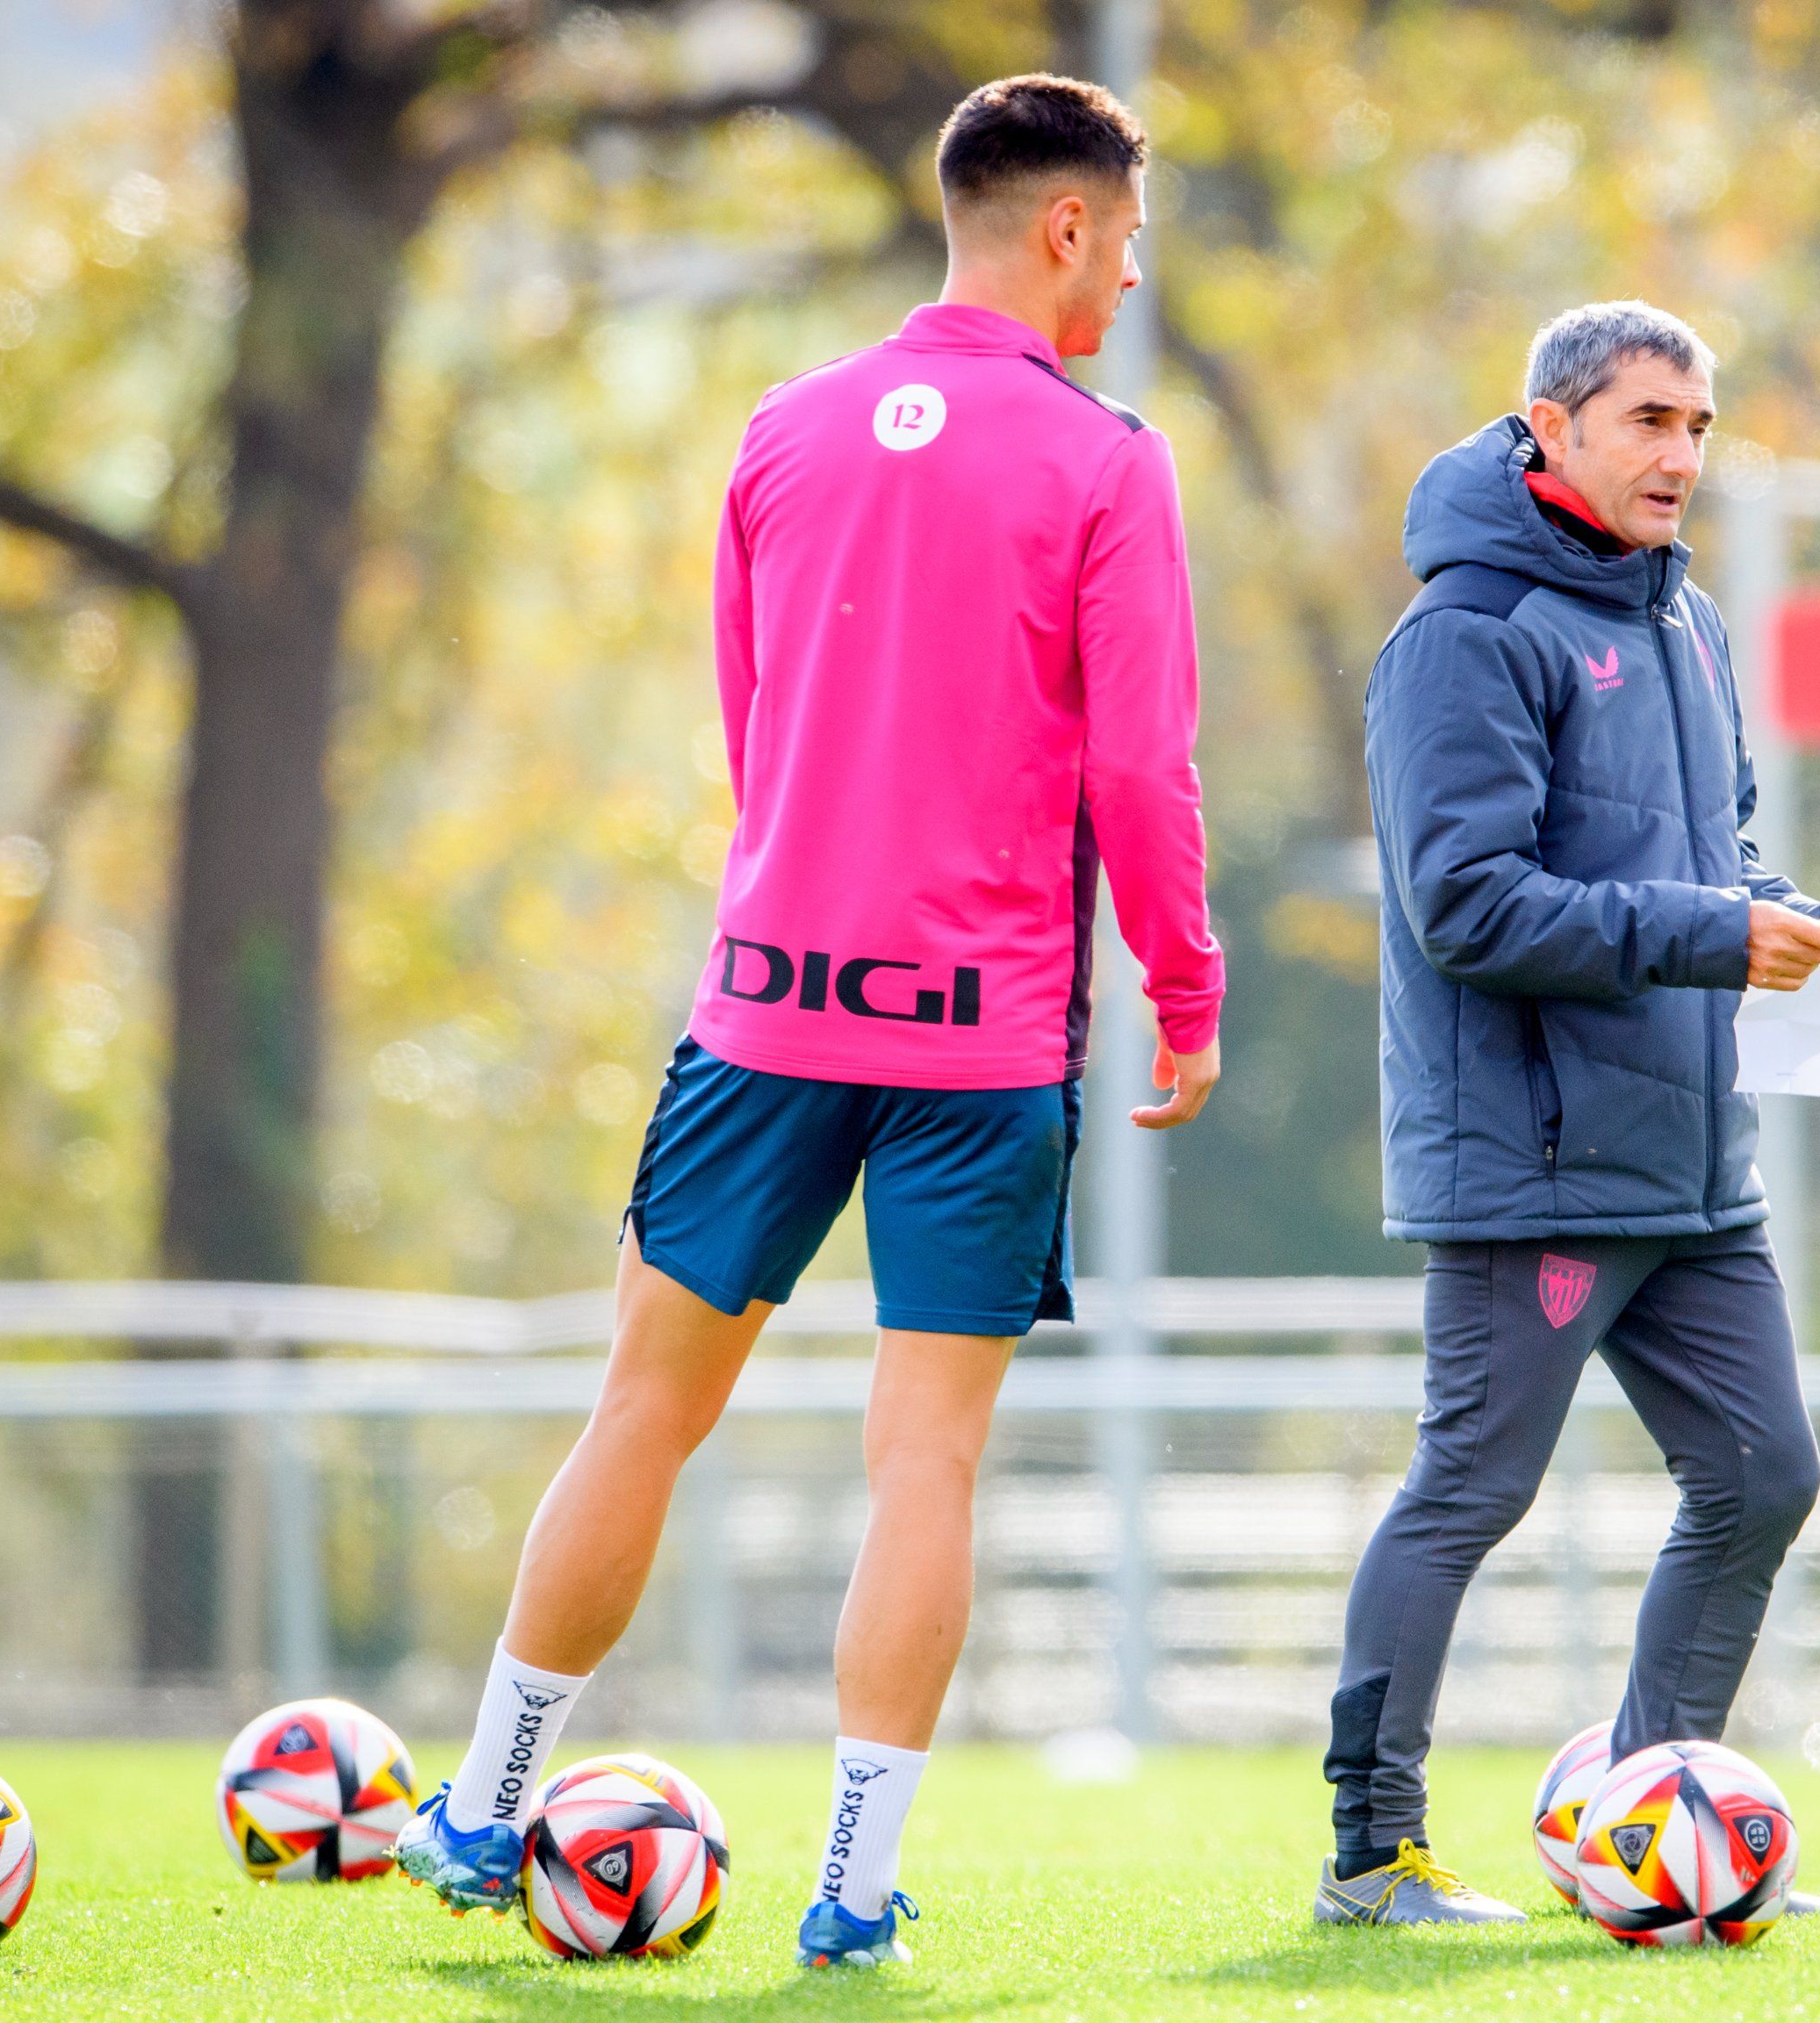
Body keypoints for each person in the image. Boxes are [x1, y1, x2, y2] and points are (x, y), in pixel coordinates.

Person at [391, 74, 1225, 1973]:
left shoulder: (782, 430)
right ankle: (850, 1893)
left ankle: (486, 1800)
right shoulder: (1109, 462)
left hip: (763, 1010)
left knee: (642, 1409)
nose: (1126, 282)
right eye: (1128, 242)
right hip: (981, 1040)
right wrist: (1183, 990)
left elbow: (753, 725)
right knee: (920, 1463)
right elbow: (1140, 770)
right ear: (1069, 229)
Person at [1315, 300, 1820, 1926]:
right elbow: (1469, 908)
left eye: (1700, 426)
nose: (1682, 456)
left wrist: (1806, 934)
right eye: (1650, 420)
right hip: (1539, 1166)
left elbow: (1716, 861)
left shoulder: (1688, 624)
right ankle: (1372, 1857)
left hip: (1693, 1163)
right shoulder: (1467, 629)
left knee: (1765, 1477)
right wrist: (1721, 934)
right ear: (1549, 429)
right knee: (1471, 1494)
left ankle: (1662, 1831)